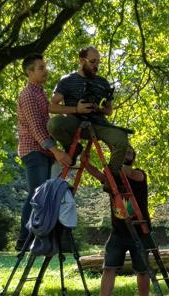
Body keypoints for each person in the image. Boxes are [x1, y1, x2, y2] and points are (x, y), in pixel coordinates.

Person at [85, 145, 154, 296]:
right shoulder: (112, 177)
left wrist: (113, 163)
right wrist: (85, 164)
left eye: (129, 152)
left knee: (142, 270)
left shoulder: (139, 174)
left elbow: (128, 174)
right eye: (123, 152)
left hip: (140, 231)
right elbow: (100, 176)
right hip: (118, 232)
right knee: (109, 268)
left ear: (133, 158)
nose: (126, 155)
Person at [47, 46, 128, 191]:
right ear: (81, 60)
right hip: (75, 123)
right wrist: (76, 109)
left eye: (98, 62)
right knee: (54, 124)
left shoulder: (103, 82)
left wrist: (99, 109)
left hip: (98, 124)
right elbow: (52, 106)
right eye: (92, 62)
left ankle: (112, 175)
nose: (96, 65)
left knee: (122, 139)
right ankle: (74, 147)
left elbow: (109, 110)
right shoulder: (67, 80)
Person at [15, 53, 71, 251]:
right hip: (34, 150)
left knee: (43, 194)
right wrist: (56, 151)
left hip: (43, 151)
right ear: (29, 72)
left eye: (45, 66)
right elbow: (36, 128)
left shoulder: (40, 92)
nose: (45, 70)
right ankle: (24, 238)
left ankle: (37, 236)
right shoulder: (28, 95)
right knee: (36, 194)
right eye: (40, 68)